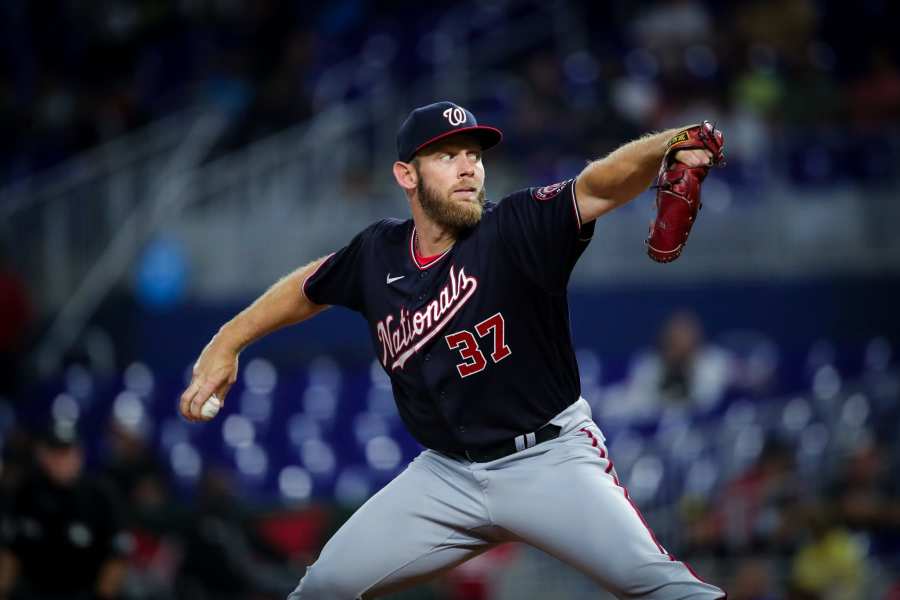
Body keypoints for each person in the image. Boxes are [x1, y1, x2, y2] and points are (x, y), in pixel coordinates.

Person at [180, 101, 726, 599]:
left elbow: (598, 187)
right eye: (446, 156)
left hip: (548, 461)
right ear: (406, 175)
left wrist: (667, 142)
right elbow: (306, 288)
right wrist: (227, 342)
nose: (468, 167)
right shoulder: (377, 252)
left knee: (664, 589)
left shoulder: (515, 228)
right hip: (445, 477)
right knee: (321, 590)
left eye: (473, 155)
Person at [0, 420, 131, 599]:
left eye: (67, 452)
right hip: (31, 592)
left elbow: (116, 558)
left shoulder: (100, 496)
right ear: (41, 454)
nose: (60, 460)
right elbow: (9, 554)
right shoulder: (24, 492)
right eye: (54, 452)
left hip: (82, 593)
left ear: (79, 455)